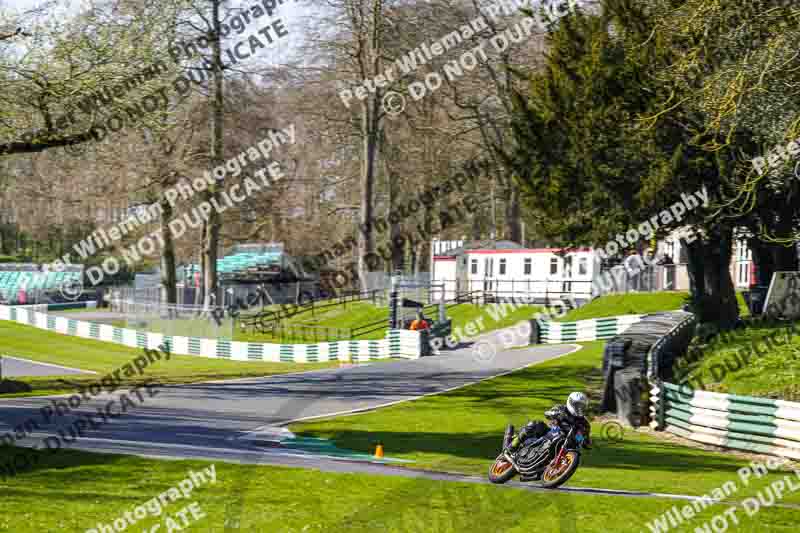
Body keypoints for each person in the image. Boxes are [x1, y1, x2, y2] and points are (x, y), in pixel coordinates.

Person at [507, 392, 592, 454]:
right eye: (577, 405)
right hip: (549, 431)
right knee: (535, 423)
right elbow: (547, 413)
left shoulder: (584, 423)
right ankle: (514, 444)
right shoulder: (561, 408)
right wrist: (554, 414)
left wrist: (585, 441)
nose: (579, 408)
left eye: (582, 407)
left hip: (566, 443)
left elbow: (585, 439)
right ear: (571, 402)